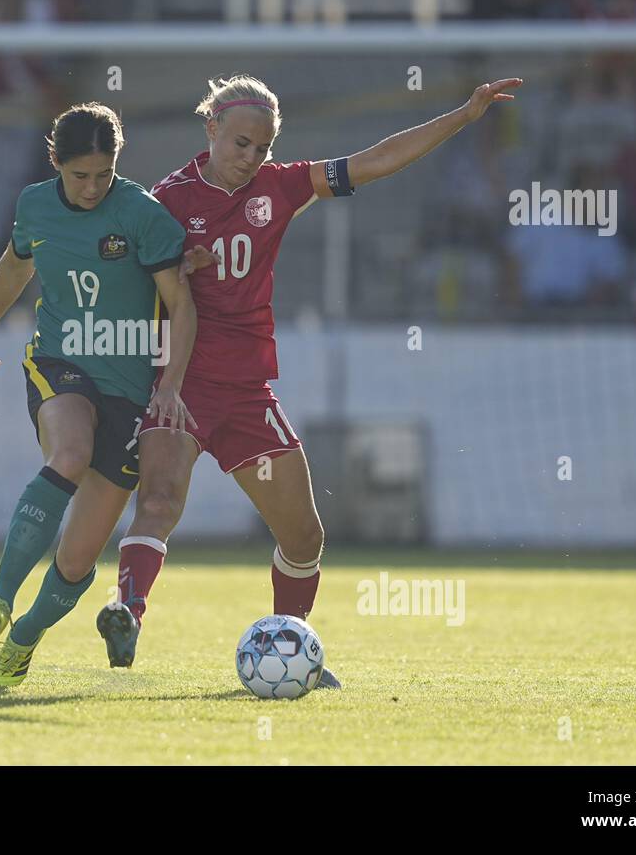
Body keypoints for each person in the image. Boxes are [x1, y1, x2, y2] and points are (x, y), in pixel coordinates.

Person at [97, 74, 522, 680]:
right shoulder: (165, 201)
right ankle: (128, 611)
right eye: (241, 142)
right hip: (179, 385)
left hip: (246, 393)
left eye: (262, 147)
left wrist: (462, 117)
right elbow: (121, 288)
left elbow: (372, 163)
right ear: (211, 128)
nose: (251, 158)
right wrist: (164, 274)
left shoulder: (281, 186)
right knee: (160, 501)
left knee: (303, 538)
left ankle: (291, 651)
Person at [0, 102, 198, 688]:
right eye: (79, 175)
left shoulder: (145, 216)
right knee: (68, 453)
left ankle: (22, 640)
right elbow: (16, 268)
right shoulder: (34, 205)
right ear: (55, 164)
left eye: (104, 174)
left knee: (76, 559)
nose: (92, 188)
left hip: (129, 389)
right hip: (59, 362)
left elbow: (182, 305)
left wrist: (169, 385)